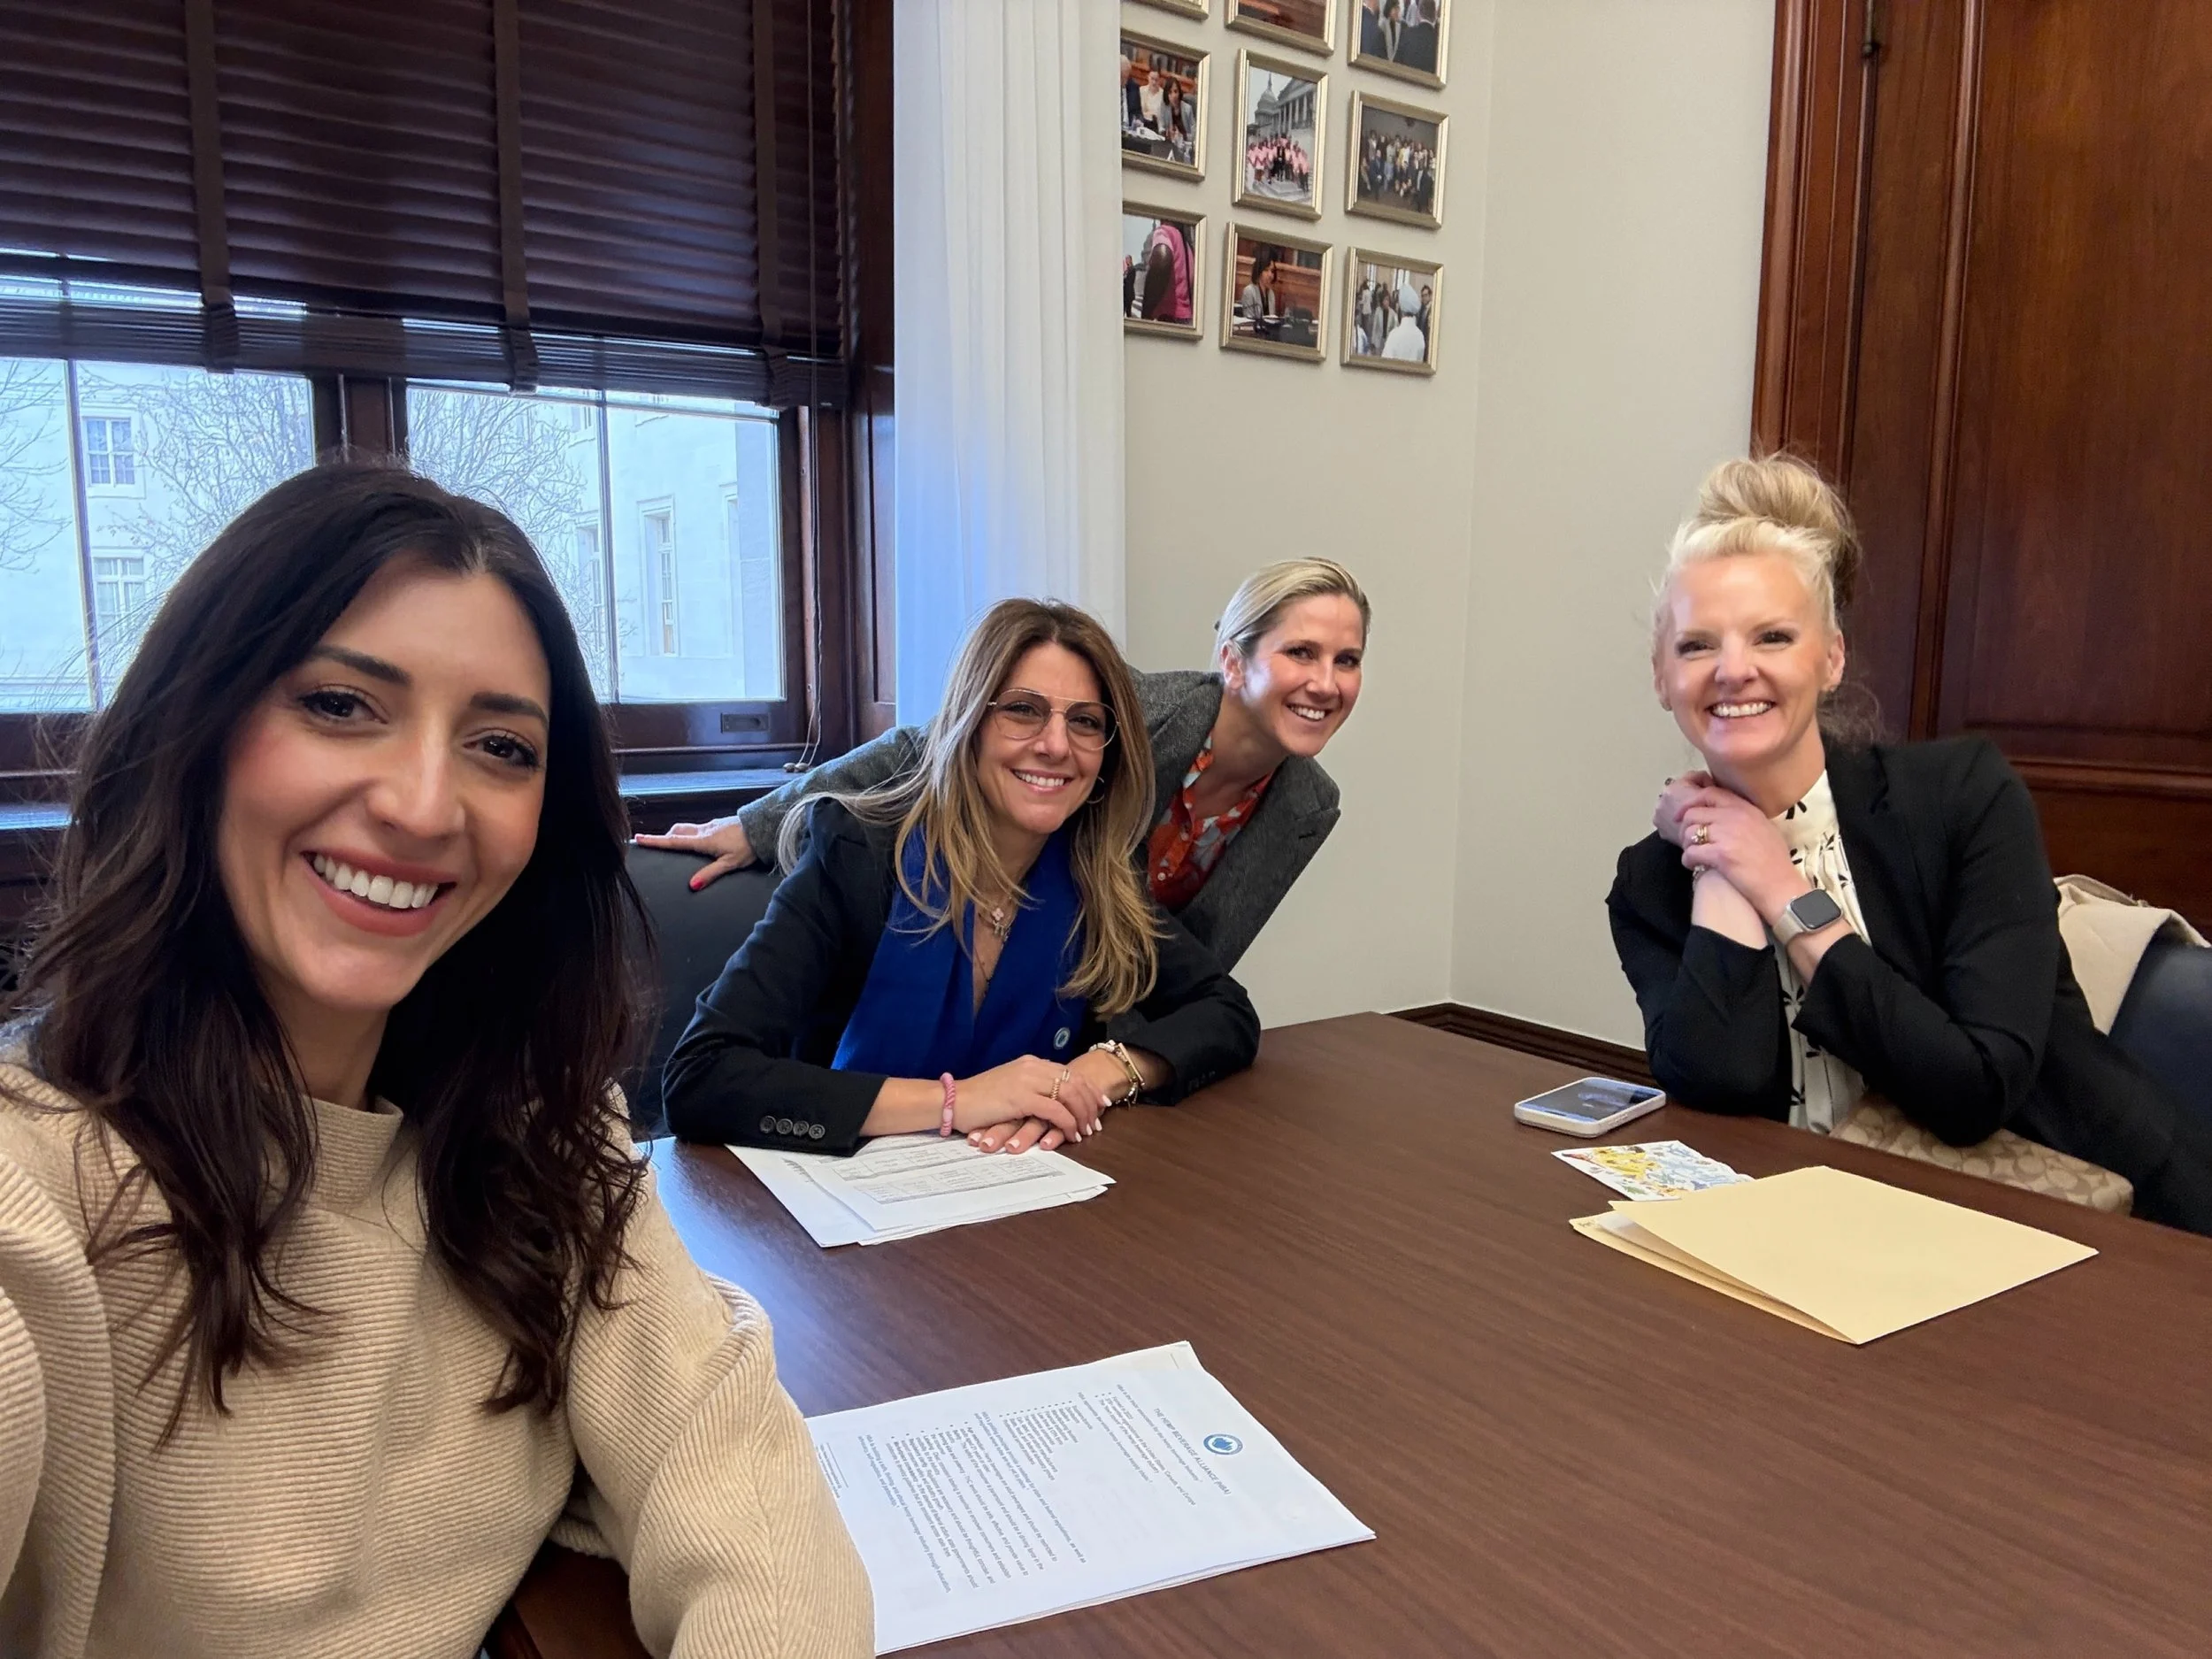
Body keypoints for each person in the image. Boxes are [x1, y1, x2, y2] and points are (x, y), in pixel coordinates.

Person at [0, 465, 872, 1656]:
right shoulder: (35, 1198)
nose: (422, 806)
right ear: (191, 729)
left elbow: (738, 1471)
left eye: (501, 744)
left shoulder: (536, 1135)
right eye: (340, 704)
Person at [1609, 456, 2212, 1233]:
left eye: (1773, 636)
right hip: (1819, 1233)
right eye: (1696, 646)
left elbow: (1975, 1088)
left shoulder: (1963, 797)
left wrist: (1782, 890)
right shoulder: (1652, 882)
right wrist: (1723, 857)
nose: (1733, 669)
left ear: (1831, 657)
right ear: (1661, 676)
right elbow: (1721, 1088)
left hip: (2092, 1225)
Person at [661, 600, 1261, 1159]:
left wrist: (1102, 1070)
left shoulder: (1097, 875)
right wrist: (960, 1100)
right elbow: (700, 1076)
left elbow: (1227, 1011)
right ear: (969, 722)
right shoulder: (857, 855)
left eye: (1084, 721)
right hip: (845, 1203)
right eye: (1023, 710)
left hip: (1019, 1195)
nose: (1056, 745)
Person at [640, 560, 1372, 976]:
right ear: (1233, 662)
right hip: (1003, 978)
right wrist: (759, 824)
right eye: (1301, 653)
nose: (1326, 683)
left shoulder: (1310, 805)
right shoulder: (1135, 710)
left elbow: (1205, 966)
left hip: (1117, 1042)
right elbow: (924, 747)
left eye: (1347, 660)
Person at [1140, 220, 1192, 324]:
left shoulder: (1164, 232)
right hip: (1185, 319)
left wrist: (1146, 314)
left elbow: (1162, 260)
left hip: (1164, 317)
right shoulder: (1187, 247)